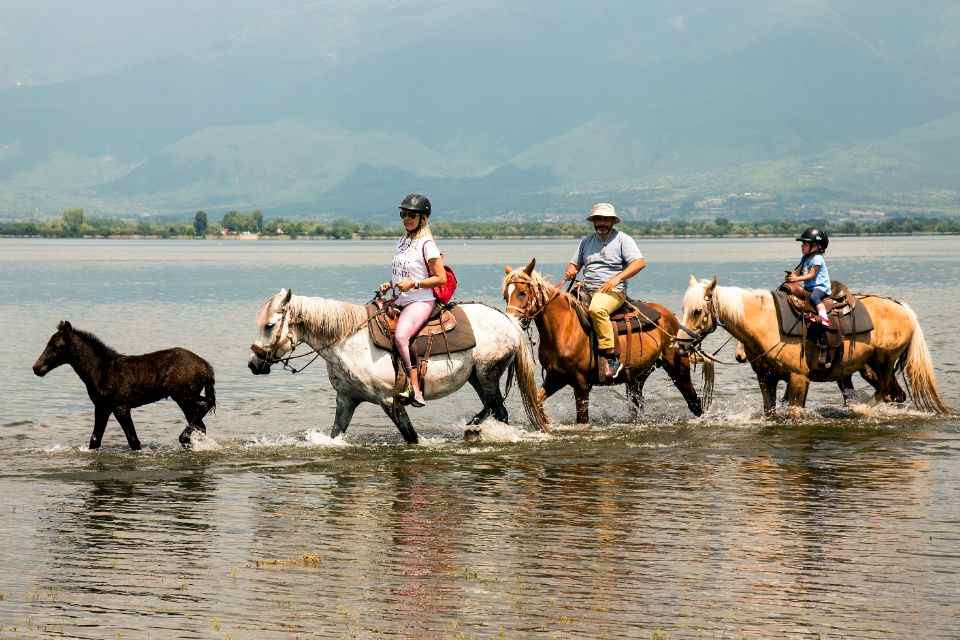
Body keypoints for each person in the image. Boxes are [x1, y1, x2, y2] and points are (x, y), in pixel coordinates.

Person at [378, 193, 447, 407]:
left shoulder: (428, 245)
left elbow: (440, 278)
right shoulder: (402, 241)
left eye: (411, 215)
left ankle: (415, 388)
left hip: (420, 301)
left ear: (423, 218)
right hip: (400, 299)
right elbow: (402, 272)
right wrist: (389, 283)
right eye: (403, 214)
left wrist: (414, 284)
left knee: (400, 337)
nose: (406, 219)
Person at [563, 202, 646, 379]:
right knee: (560, 309)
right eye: (598, 219)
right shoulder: (586, 241)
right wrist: (571, 269)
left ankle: (612, 357)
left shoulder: (623, 239)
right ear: (594, 221)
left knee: (596, 309)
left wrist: (618, 278)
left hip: (613, 290)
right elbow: (574, 263)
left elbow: (639, 263)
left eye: (605, 220)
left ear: (612, 222)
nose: (602, 223)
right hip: (586, 288)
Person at [785, 227, 832, 327]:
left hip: (820, 288)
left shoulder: (817, 258)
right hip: (809, 288)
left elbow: (812, 274)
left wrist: (796, 279)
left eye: (805, 244)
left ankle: (824, 318)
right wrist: (791, 276)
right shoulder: (805, 257)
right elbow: (797, 272)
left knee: (814, 297)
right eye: (802, 244)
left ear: (816, 246)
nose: (802, 246)